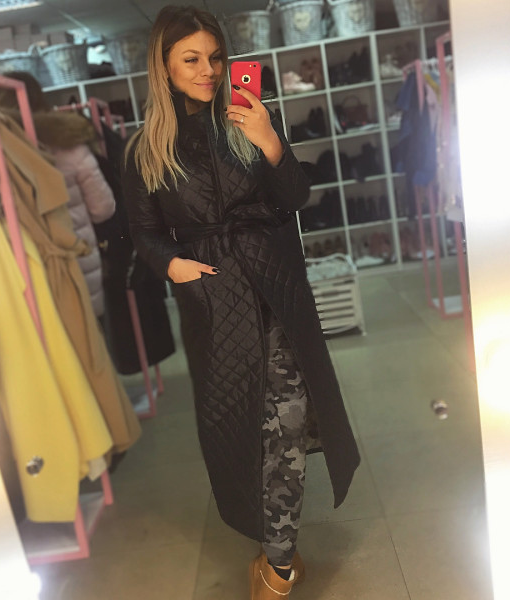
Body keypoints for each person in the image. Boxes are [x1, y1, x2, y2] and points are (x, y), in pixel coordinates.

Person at [121, 6, 360, 598]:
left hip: (275, 283)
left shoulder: (248, 119)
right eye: (191, 59)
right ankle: (275, 541)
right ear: (164, 66)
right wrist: (173, 265)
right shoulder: (145, 149)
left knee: (290, 415)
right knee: (241, 423)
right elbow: (143, 232)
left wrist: (270, 142)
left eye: (215, 57)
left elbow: (295, 198)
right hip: (214, 296)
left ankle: (277, 564)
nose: (208, 70)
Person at [0, 72, 116, 319]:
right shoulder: (68, 143)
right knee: (89, 333)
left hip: (25, 271)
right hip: (77, 258)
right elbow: (103, 208)